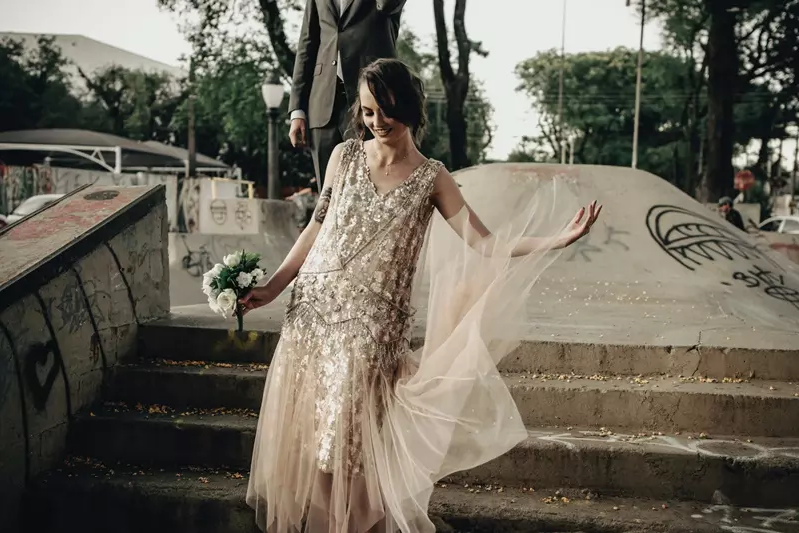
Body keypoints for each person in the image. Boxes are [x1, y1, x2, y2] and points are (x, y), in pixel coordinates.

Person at [242, 59, 602, 533]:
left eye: (386, 109)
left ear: (409, 106)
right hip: (311, 311)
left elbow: (484, 243)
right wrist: (274, 286)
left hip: (371, 328)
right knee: (308, 440)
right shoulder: (343, 157)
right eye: (368, 112)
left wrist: (554, 240)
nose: (377, 122)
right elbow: (316, 226)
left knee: (342, 443)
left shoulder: (432, 177)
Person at [288, 0, 408, 191]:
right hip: (322, 103)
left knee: (368, 191)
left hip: (370, 104)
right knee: (327, 198)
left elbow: (386, 5)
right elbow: (307, 44)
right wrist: (297, 110)